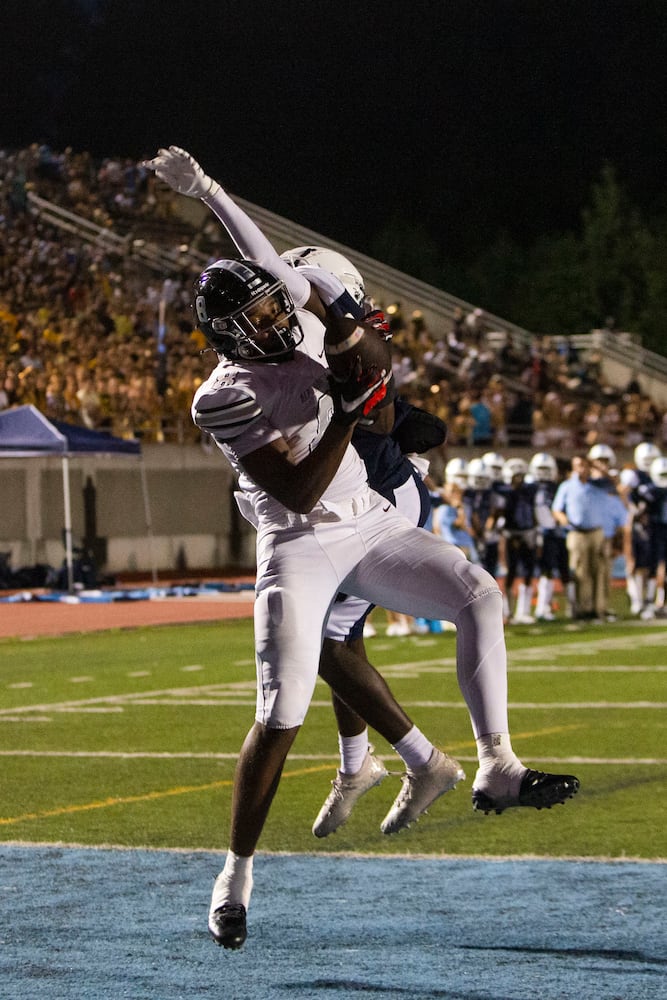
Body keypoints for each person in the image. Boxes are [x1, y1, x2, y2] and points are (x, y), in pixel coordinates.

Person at [144, 150, 580, 952]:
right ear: (230, 336)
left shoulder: (304, 314)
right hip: (300, 538)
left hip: (369, 517)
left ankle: (495, 765)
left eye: (281, 309)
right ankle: (234, 875)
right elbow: (299, 492)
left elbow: (269, 264)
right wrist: (348, 413)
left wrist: (208, 191)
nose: (281, 322)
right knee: (280, 711)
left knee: (480, 594)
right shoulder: (223, 394)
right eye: (265, 321)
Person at [142, 147, 460, 841]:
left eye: (286, 296)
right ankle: (358, 762)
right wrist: (206, 191)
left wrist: (209, 192)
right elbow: (270, 277)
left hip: (369, 505)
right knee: (337, 638)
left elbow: (362, 414)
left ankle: (408, 760)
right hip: (344, 503)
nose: (278, 308)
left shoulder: (329, 332)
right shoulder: (313, 331)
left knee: (323, 641)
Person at [551, 455, 608, 620]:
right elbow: (557, 509)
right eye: (578, 465)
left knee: (598, 570)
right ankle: (582, 609)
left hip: (596, 532)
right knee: (579, 572)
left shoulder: (598, 485)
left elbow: (615, 483)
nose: (581, 468)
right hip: (576, 532)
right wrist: (564, 520)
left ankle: (598, 609)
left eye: (584, 465)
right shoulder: (567, 486)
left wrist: (596, 465)